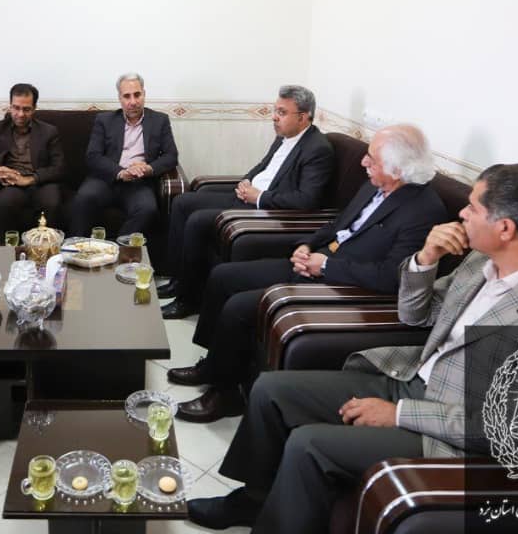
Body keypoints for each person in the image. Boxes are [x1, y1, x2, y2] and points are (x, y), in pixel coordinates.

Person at [187, 163, 518, 534]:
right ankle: (251, 501)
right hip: (408, 378)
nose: (461, 214)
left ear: (505, 228)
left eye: (473, 208)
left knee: (308, 444)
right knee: (270, 391)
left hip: (452, 434)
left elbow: (516, 432)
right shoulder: (482, 261)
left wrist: (399, 414)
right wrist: (425, 259)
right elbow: (415, 314)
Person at [168, 125, 448, 422]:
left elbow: (391, 276)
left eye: (372, 159)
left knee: (239, 307)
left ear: (398, 170)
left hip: (341, 287)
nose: (363, 162)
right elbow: (338, 224)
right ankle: (212, 366)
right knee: (223, 276)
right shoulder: (374, 185)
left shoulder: (423, 211)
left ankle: (224, 396)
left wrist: (325, 266)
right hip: (316, 262)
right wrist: (306, 245)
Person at [159, 85, 334, 310]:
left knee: (197, 220)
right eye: (275, 110)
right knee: (182, 202)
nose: (274, 117)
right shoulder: (284, 136)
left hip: (265, 212)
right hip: (247, 197)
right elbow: (263, 166)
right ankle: (177, 280)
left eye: (282, 112)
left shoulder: (318, 149)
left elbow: (306, 200)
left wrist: (259, 197)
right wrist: (246, 181)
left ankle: (187, 301)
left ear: (302, 117)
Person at [68, 73, 179, 239]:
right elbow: (93, 156)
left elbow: (171, 156)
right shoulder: (104, 120)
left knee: (147, 209)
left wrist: (148, 168)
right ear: (119, 98)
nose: (133, 101)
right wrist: (120, 172)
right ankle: (75, 248)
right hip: (106, 179)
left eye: (137, 95)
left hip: (139, 182)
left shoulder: (159, 120)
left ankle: (118, 249)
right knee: (83, 199)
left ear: (144, 94)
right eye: (127, 96)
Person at [0, 83, 66, 237]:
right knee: (3, 204)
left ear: (34, 109)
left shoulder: (48, 131)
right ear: (10, 106)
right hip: (12, 184)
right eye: (16, 108)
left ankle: (49, 250)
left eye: (26, 109)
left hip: (42, 182)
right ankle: (4, 250)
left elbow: (60, 168)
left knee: (52, 203)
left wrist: (29, 179)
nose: (20, 114)